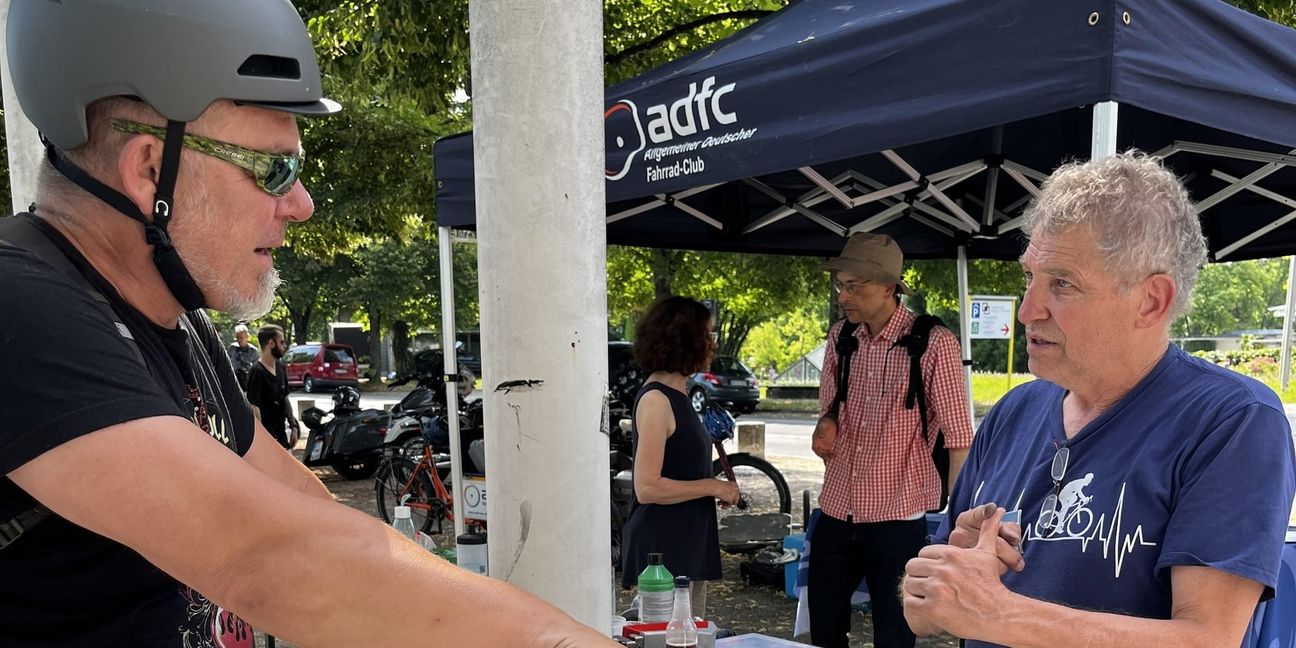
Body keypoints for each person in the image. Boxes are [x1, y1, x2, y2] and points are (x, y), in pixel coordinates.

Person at [0, 1, 616, 646]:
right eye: (276, 169)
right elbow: (274, 561)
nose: (302, 204)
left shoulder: (176, 323)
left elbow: (308, 515)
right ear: (150, 168)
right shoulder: (18, 307)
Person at [901, 152, 1296, 648]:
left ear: (1152, 301)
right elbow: (922, 618)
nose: (1027, 311)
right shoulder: (1013, 413)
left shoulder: (1232, 420)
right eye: (1030, 278)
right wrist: (941, 581)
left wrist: (999, 613)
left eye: (1062, 284)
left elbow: (1207, 638)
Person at [808, 232, 974, 648]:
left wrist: (958, 521)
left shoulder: (933, 343)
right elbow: (830, 409)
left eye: (853, 285)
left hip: (897, 517)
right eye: (840, 285)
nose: (843, 295)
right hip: (836, 510)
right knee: (824, 630)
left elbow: (958, 438)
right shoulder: (841, 339)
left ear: (887, 288)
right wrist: (826, 423)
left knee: (895, 635)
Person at [620, 296, 741, 618]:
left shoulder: (678, 395)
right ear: (686, 341)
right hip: (664, 550)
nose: (712, 344)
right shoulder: (658, 399)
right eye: (707, 335)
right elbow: (647, 487)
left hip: (684, 544)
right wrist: (713, 486)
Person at [246, 324, 293, 449]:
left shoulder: (281, 368)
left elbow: (285, 398)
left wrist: (293, 425)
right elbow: (254, 406)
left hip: (281, 437)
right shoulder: (257, 372)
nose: (284, 346)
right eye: (281, 342)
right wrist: (262, 439)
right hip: (268, 440)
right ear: (271, 343)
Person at [228, 323, 259, 390]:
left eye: (242, 338)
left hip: (248, 383)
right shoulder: (232, 348)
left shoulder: (253, 351)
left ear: (247, 337)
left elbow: (256, 370)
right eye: (238, 338)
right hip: (234, 382)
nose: (240, 340)